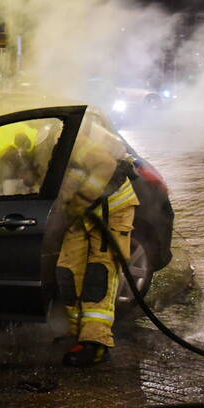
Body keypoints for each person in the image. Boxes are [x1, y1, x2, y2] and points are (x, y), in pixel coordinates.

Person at [55, 115, 139, 367]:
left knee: (98, 274)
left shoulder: (74, 141)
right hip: (85, 213)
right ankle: (76, 333)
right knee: (67, 270)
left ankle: (96, 343)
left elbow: (103, 166)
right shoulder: (44, 143)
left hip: (112, 210)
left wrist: (79, 202)